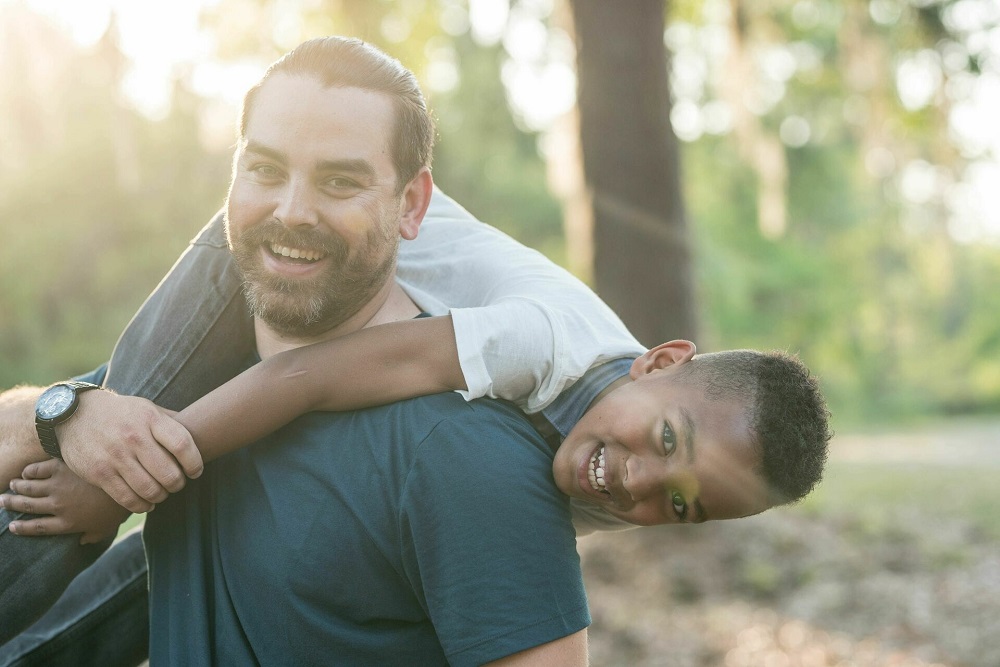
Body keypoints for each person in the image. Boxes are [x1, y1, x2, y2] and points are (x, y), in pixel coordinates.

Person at [0, 36, 830, 665]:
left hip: (337, 266)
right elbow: (308, 375)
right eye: (667, 438)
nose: (641, 482)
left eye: (682, 503)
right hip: (256, 257)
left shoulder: (581, 472)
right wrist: (113, 475)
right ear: (660, 360)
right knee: (95, 444)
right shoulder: (544, 340)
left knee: (156, 489)